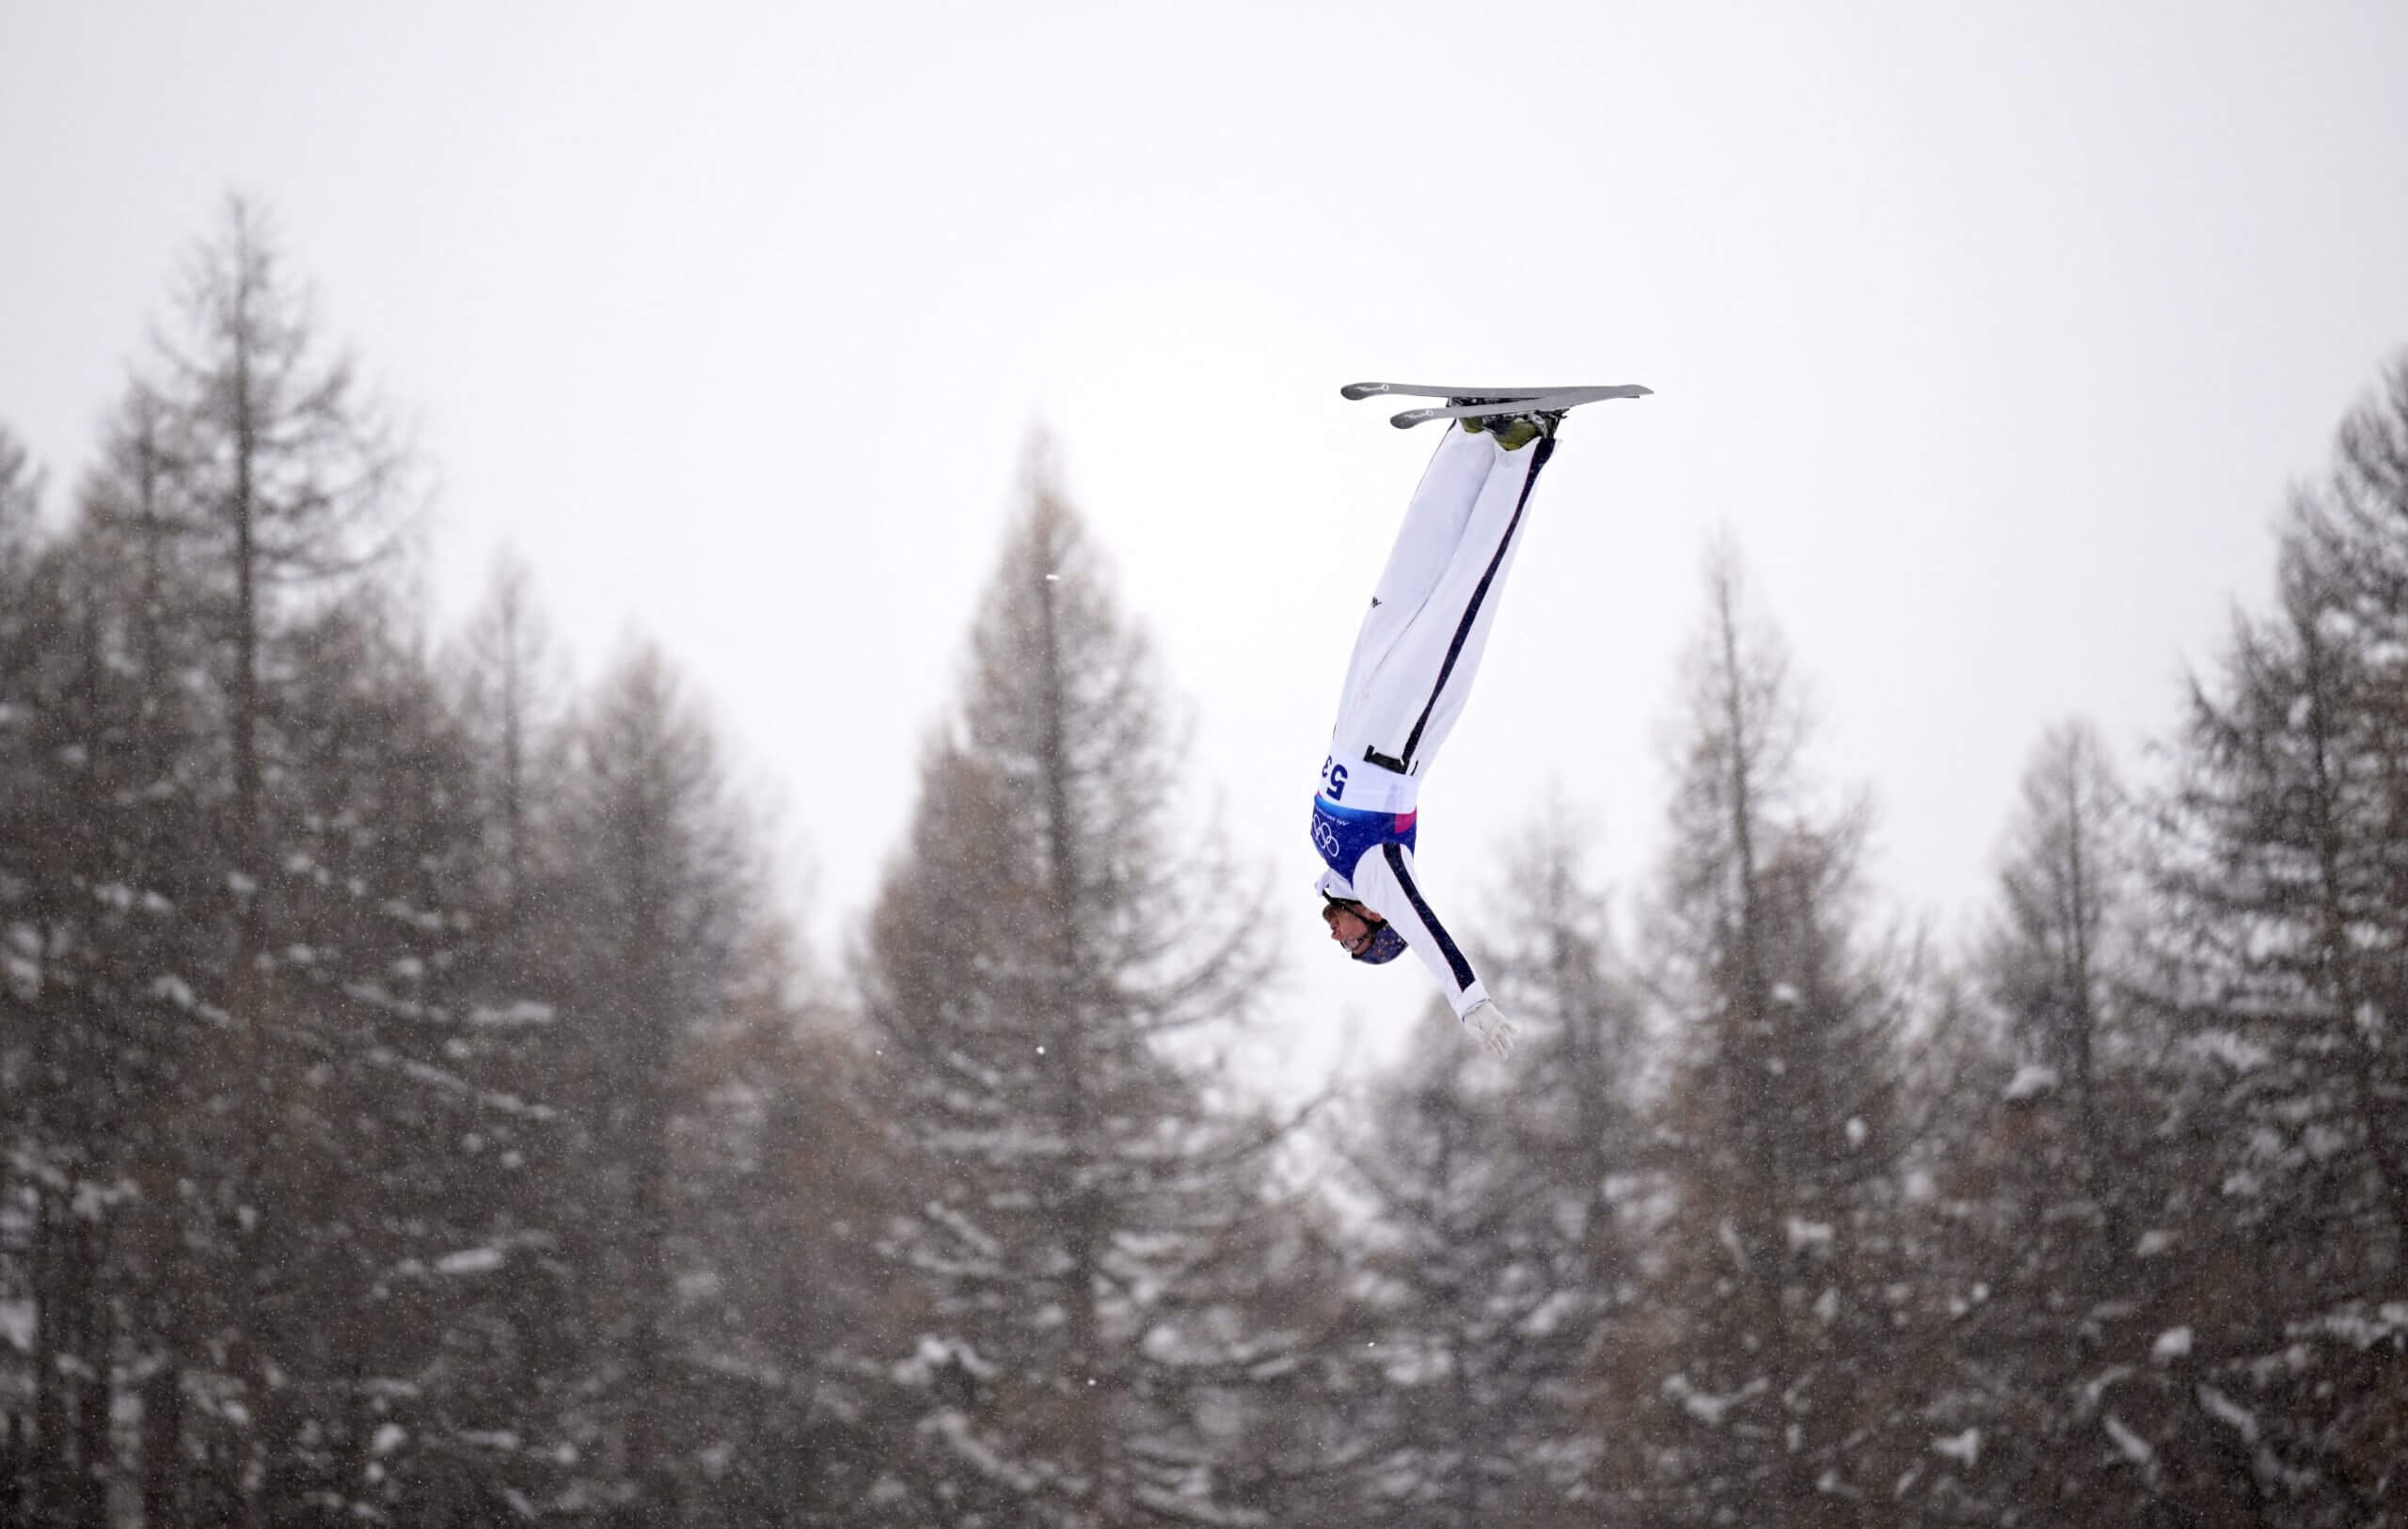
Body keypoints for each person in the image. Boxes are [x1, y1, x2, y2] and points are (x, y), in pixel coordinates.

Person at [1308, 406, 1566, 1058]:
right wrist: (1470, 998)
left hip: (1355, 711)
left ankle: (1471, 442)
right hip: (1399, 735)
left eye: (1349, 947)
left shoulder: (1334, 866)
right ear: (1377, 922)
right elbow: (1430, 934)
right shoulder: (1380, 877)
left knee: (1410, 571)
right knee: (1467, 587)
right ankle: (1521, 448)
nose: (1341, 940)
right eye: (1358, 944)